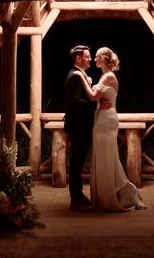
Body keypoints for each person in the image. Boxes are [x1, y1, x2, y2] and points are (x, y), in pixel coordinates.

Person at [76, 46, 147, 212]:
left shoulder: (108, 76)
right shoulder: (105, 76)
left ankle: (109, 198)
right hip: (103, 117)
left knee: (106, 157)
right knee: (107, 157)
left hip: (106, 120)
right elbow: (98, 97)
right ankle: (116, 194)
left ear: (104, 59)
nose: (94, 60)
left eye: (97, 57)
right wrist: (98, 97)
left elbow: (93, 96)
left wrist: (82, 78)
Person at [64, 45, 97, 212]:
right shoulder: (75, 77)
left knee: (78, 160)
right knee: (76, 162)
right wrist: (95, 104)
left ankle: (78, 195)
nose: (90, 59)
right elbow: (75, 103)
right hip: (78, 126)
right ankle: (75, 198)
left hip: (81, 126)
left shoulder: (80, 75)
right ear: (78, 59)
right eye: (87, 56)